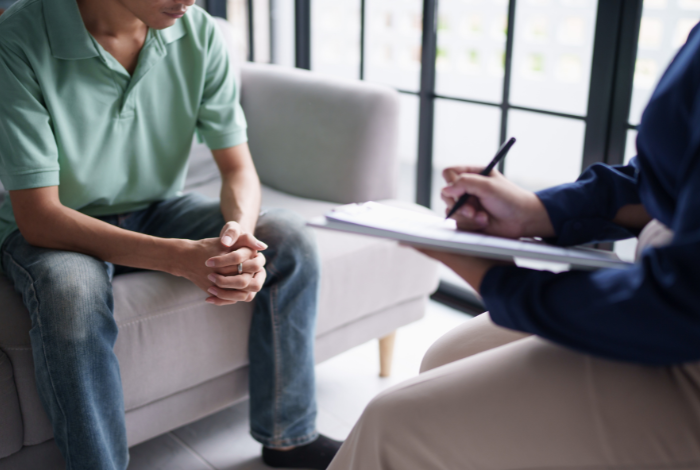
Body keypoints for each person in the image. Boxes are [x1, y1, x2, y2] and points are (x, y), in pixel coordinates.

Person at [328, 20, 700, 470]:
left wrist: (495, 278)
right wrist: (535, 211)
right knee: (447, 355)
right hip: (666, 288)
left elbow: (678, 304)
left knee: (390, 425)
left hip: (679, 328)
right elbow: (662, 177)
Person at [0, 0, 341, 468]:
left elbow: (238, 166)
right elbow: (39, 215)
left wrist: (236, 239)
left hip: (156, 206)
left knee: (288, 236)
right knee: (71, 293)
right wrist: (179, 257)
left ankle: (289, 435)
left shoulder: (198, 33)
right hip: (62, 223)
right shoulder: (19, 36)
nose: (190, 0)